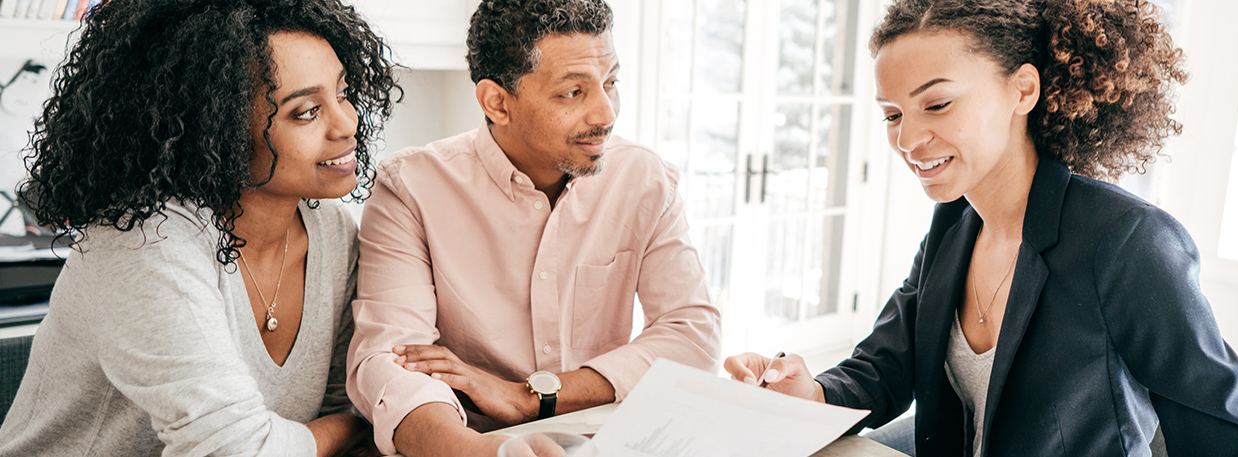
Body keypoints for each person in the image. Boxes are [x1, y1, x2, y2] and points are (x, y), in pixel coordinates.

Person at [725, 0, 1238, 455]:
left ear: (1023, 91)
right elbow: (887, 361)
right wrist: (813, 393)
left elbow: (1233, 434)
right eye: (893, 115)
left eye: (936, 104)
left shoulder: (1126, 241)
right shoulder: (954, 224)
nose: (908, 141)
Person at [0, 0, 399, 455]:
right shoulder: (145, 244)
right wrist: (357, 429)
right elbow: (235, 450)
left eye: (343, 93)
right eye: (306, 111)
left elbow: (338, 400)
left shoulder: (330, 230)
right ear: (218, 129)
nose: (348, 123)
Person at [345, 0, 721, 455]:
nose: (606, 114)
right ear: (497, 102)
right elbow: (389, 363)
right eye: (573, 93)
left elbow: (691, 332)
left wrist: (534, 395)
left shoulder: (644, 179)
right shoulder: (411, 188)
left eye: (610, 83)